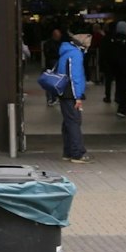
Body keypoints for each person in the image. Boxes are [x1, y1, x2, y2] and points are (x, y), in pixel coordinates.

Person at [56, 25, 90, 164]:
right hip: (71, 93)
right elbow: (75, 76)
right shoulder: (75, 54)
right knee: (74, 122)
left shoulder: (67, 51)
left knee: (69, 122)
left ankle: (69, 151)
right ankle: (77, 153)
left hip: (65, 91)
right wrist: (78, 97)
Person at [102, 21, 126, 118]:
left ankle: (123, 106)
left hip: (117, 68)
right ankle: (123, 106)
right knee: (124, 87)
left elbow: (108, 55)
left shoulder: (113, 41)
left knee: (121, 86)